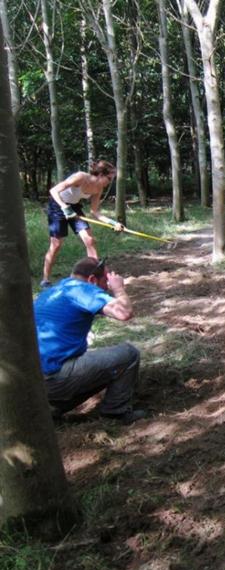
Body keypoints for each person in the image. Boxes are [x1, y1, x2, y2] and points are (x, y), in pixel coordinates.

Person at [34, 257, 145, 424]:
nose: (106, 288)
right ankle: (116, 412)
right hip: (54, 378)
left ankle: (52, 409)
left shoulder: (54, 290)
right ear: (92, 279)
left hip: (34, 380)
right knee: (129, 354)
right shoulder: (82, 289)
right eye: (105, 281)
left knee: (91, 358)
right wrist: (119, 289)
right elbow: (124, 313)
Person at [42, 160, 121, 288]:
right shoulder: (81, 177)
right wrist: (64, 207)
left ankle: (96, 276)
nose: (110, 181)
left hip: (74, 207)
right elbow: (54, 190)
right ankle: (45, 279)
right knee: (56, 245)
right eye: (109, 178)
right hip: (57, 206)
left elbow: (95, 212)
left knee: (89, 240)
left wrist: (113, 223)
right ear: (101, 175)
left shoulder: (98, 188)